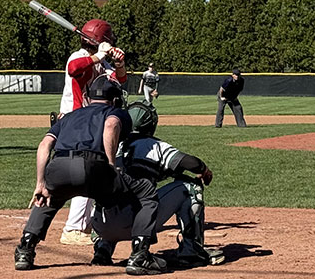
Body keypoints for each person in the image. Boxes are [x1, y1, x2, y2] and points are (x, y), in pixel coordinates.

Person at [14, 76, 161, 275]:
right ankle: (138, 252)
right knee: (146, 192)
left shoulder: (68, 116)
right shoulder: (116, 112)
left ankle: (25, 249)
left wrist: (41, 183)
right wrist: (111, 164)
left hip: (58, 166)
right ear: (115, 99)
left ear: (87, 97)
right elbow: (111, 125)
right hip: (94, 167)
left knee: (47, 196)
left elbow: (44, 144)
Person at [91, 101, 225, 268]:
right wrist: (205, 170)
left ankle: (102, 250)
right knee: (191, 187)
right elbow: (190, 163)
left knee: (106, 190)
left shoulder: (109, 145)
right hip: (136, 224)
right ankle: (192, 251)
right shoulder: (152, 145)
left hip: (102, 225)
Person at [56, 18, 128, 246]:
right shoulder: (78, 56)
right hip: (75, 121)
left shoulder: (102, 63)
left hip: (91, 122)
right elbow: (74, 69)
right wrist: (100, 55)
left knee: (93, 171)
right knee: (87, 172)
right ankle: (73, 229)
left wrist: (119, 63)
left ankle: (83, 225)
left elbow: (120, 81)